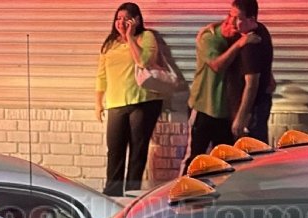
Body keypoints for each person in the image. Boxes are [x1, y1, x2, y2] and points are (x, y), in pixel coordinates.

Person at [95, 2, 163, 197]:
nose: (121, 22)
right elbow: (101, 75)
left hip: (142, 102)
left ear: (137, 20)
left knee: (137, 153)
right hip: (116, 103)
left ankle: (131, 195)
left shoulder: (145, 37)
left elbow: (143, 61)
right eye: (118, 18)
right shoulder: (110, 43)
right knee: (114, 151)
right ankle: (112, 194)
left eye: (126, 18)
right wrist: (98, 103)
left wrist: (130, 37)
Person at [182, 15, 260, 171]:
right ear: (226, 23)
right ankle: (184, 184)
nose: (236, 32)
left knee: (226, 160)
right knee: (194, 157)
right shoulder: (209, 37)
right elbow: (217, 65)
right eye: (233, 28)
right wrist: (239, 44)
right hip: (204, 107)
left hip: (225, 112)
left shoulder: (236, 37)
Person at [229, 0, 274, 142]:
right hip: (259, 106)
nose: (233, 22)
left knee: (250, 150)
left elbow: (251, 84)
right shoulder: (262, 29)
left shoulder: (251, 45)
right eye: (231, 16)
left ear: (251, 19)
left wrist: (241, 117)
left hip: (251, 113)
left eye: (238, 18)